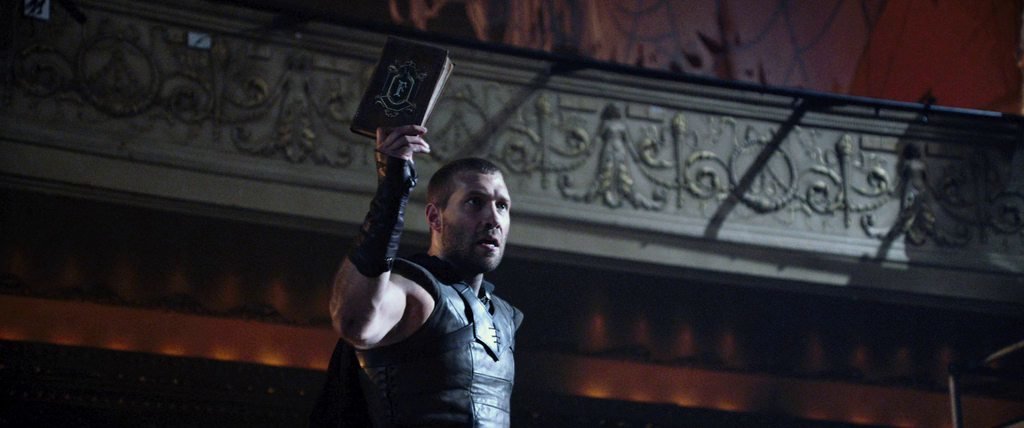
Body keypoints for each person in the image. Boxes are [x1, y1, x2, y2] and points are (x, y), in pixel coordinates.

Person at [311, 125, 523, 428]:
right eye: (475, 202)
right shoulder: (414, 290)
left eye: (502, 205)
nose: (493, 218)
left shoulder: (503, 317)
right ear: (435, 217)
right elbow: (354, 322)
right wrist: (392, 189)